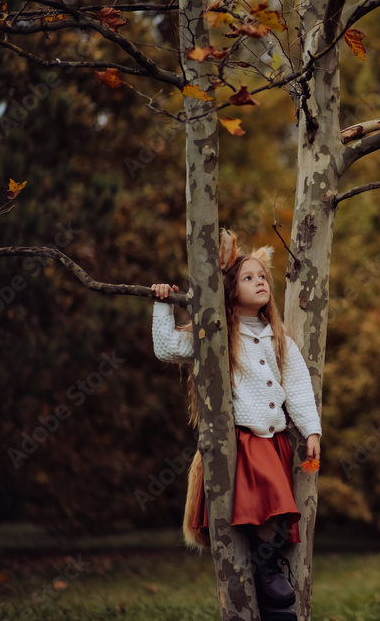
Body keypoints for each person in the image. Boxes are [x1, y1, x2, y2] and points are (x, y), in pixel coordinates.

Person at [150, 230, 320, 621]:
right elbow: (167, 348)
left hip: (275, 440)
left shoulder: (279, 338)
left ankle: (269, 576)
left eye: (263, 276)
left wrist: (311, 430)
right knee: (266, 508)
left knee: (278, 513)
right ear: (228, 289)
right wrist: (162, 304)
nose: (260, 281)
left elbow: (297, 388)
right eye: (248, 277)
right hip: (242, 441)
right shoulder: (216, 336)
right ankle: (266, 568)